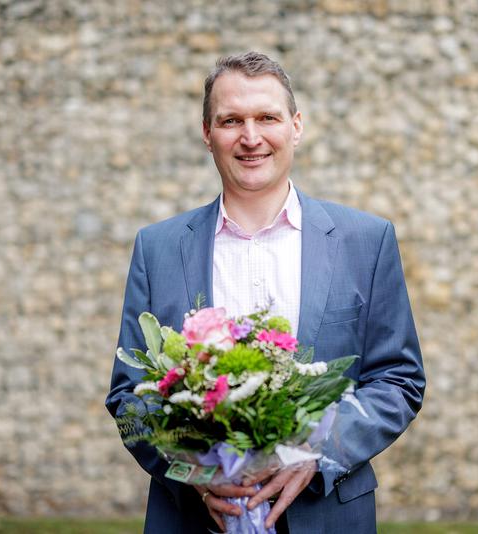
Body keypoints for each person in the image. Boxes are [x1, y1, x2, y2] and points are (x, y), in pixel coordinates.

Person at [106, 51, 425, 534]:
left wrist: (316, 453)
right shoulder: (158, 248)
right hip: (193, 520)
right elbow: (129, 398)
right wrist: (194, 471)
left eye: (267, 118)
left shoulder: (366, 241)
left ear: (295, 126)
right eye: (231, 120)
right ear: (206, 133)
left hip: (328, 517)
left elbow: (399, 381)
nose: (250, 137)